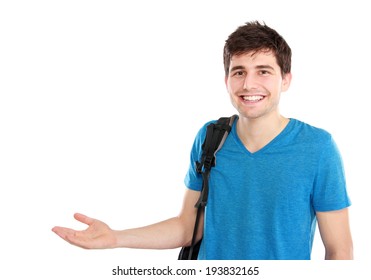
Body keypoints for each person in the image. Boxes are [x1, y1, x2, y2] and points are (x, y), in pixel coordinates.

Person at [52, 21, 353, 260]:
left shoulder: (317, 148)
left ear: (285, 79)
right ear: (227, 81)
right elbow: (188, 227)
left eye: (263, 71)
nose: (249, 84)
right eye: (239, 72)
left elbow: (339, 252)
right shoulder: (211, 138)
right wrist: (116, 237)